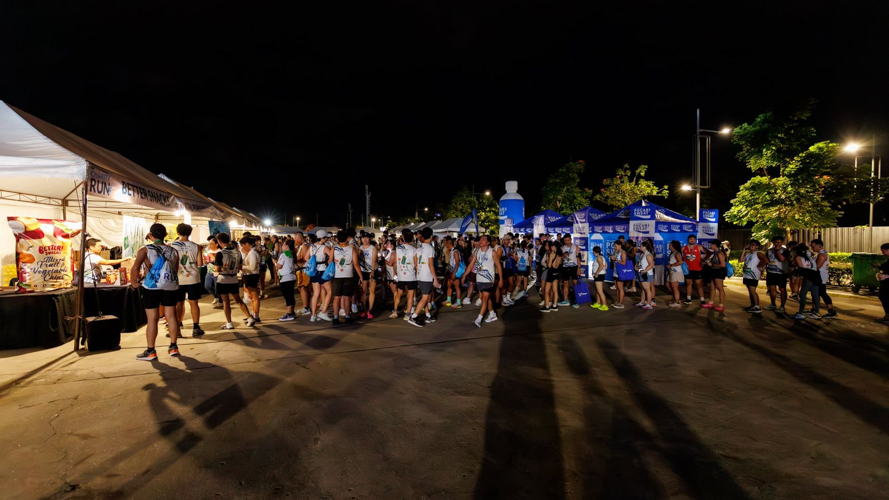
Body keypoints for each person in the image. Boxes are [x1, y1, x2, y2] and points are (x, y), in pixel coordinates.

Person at [131, 223, 181, 361]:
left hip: (152, 287)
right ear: (165, 235)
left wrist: (134, 283)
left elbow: (135, 268)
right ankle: (173, 347)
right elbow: (175, 270)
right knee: (171, 316)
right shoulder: (173, 251)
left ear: (150, 235)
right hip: (170, 286)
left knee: (152, 319)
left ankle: (151, 350)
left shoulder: (145, 249)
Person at [168, 224, 204, 338]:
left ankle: (177, 328)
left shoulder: (171, 245)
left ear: (177, 233)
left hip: (178, 279)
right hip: (193, 278)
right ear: (190, 233)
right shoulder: (196, 246)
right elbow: (200, 264)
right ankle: (196, 327)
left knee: (179, 304)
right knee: (194, 303)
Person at [213, 233, 251, 330]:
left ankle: (229, 323)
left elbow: (217, 270)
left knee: (226, 302)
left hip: (223, 280)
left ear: (219, 242)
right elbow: (240, 267)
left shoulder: (220, 253)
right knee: (238, 299)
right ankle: (249, 317)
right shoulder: (237, 252)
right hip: (234, 279)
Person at [464, 234, 502, 326]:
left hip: (489, 279)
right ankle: (492, 314)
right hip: (479, 278)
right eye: (480, 239)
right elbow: (471, 264)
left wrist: (501, 279)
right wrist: (465, 275)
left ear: (488, 242)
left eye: (483, 239)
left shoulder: (492, 252)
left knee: (484, 298)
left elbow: (498, 265)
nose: (481, 241)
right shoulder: (476, 252)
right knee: (487, 298)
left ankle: (478, 319)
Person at [329, 229, 363, 324]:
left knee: (337, 297)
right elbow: (356, 264)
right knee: (347, 297)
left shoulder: (334, 248)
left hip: (337, 275)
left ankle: (336, 317)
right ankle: (348, 316)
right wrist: (360, 276)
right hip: (349, 275)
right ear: (347, 238)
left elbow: (330, 261)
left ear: (337, 239)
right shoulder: (351, 249)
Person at [409, 227, 440, 327]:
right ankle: (414, 316)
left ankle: (427, 315)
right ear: (431, 236)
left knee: (425, 296)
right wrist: (435, 279)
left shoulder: (420, 247)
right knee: (425, 297)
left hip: (420, 275)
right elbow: (431, 265)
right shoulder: (429, 248)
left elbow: (416, 262)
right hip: (426, 275)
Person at [392, 229, 419, 319]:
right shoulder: (414, 249)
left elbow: (395, 262)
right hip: (411, 276)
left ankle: (395, 311)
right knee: (410, 295)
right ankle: (408, 314)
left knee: (399, 293)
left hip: (401, 275)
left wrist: (395, 273)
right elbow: (416, 264)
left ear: (403, 237)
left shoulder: (398, 248)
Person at [309, 231, 334, 322]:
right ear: (322, 238)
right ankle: (323, 312)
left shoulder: (311, 246)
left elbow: (306, 257)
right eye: (325, 238)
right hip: (323, 271)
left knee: (315, 294)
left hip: (314, 271)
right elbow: (332, 257)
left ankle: (313, 315)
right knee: (330, 292)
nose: (326, 239)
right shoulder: (324, 247)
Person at [791, 243, 821, 320]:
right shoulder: (810, 257)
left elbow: (800, 268)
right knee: (815, 294)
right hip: (816, 275)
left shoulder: (798, 257)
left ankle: (801, 313)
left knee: (802, 294)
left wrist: (794, 275)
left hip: (808, 276)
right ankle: (816, 312)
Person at [810, 239, 837, 318]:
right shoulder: (820, 253)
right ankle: (815, 309)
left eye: (813, 247)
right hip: (819, 276)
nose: (812, 248)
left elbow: (817, 266)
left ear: (819, 246)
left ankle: (830, 310)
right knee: (817, 293)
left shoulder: (822, 255)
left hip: (820, 276)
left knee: (821, 293)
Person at [739, 239, 766, 314]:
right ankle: (753, 305)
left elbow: (766, 260)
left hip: (753, 275)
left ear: (757, 246)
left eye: (753, 244)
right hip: (747, 275)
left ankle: (757, 307)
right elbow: (740, 260)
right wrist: (744, 250)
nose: (751, 246)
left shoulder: (758, 253)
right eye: (750, 244)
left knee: (752, 290)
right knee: (750, 291)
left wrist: (760, 267)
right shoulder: (748, 254)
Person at [239, 236, 262, 326]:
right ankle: (254, 314)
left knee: (254, 296)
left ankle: (255, 316)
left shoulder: (252, 253)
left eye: (242, 245)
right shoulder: (253, 252)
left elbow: (252, 267)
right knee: (252, 297)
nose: (242, 247)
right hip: (251, 275)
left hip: (251, 275)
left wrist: (242, 267)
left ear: (247, 244)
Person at [765, 236, 791, 314]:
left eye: (780, 242)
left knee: (782, 289)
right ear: (773, 242)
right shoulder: (769, 251)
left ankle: (782, 306)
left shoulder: (785, 251)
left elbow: (782, 259)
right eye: (777, 242)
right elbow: (766, 260)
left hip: (781, 273)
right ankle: (773, 304)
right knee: (772, 289)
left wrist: (778, 251)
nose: (778, 244)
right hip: (771, 272)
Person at [701, 240, 727, 312]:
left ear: (715, 245)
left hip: (719, 272)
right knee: (712, 287)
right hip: (714, 271)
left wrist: (712, 264)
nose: (710, 246)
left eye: (711, 244)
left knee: (720, 288)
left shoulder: (719, 253)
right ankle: (711, 303)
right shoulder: (715, 253)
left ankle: (721, 305)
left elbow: (723, 265)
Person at [358, 233, 378, 319]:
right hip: (363, 271)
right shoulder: (360, 248)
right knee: (363, 291)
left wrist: (372, 272)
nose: (365, 239)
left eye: (366, 238)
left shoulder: (373, 248)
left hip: (372, 271)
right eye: (363, 238)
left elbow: (374, 261)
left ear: (370, 239)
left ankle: (370, 310)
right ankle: (364, 309)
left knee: (372, 290)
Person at [682, 235, 707, 305]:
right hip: (688, 270)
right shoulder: (684, 248)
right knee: (688, 284)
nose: (692, 240)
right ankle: (688, 298)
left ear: (695, 240)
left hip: (697, 269)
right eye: (690, 239)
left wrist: (704, 260)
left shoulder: (699, 247)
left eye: (693, 239)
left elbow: (708, 252)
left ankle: (702, 299)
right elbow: (678, 255)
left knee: (699, 285)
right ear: (688, 240)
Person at [276, 239, 297, 321]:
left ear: (287, 246)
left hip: (285, 278)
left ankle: (289, 314)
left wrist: (275, 264)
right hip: (292, 277)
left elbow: (279, 266)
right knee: (291, 295)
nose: (282, 246)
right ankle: (292, 312)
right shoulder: (291, 254)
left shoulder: (284, 254)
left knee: (287, 296)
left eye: (283, 245)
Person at [559, 235, 581, 309]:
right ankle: (566, 300)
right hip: (565, 267)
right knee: (565, 283)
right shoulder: (562, 248)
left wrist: (579, 268)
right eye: (565, 240)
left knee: (575, 284)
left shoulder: (576, 247)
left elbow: (579, 258)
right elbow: (560, 258)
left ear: (571, 239)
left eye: (568, 240)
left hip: (574, 267)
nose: (567, 242)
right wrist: (563, 255)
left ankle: (576, 300)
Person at [636, 240, 656, 309]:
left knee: (647, 289)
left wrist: (645, 271)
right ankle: (642, 301)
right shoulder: (642, 254)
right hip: (642, 273)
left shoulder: (648, 255)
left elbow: (651, 264)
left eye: (641, 246)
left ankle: (649, 304)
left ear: (644, 247)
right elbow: (640, 263)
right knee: (643, 289)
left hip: (647, 274)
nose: (640, 247)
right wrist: (637, 268)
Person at [444, 236, 463, 308]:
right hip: (451, 270)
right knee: (449, 285)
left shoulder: (455, 251)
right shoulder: (452, 251)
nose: (445, 245)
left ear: (448, 244)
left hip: (454, 271)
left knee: (457, 286)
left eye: (446, 243)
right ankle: (448, 300)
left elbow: (457, 263)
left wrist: (454, 273)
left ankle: (458, 302)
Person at [203, 236, 222, 308]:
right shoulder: (208, 252)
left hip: (217, 272)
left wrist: (211, 256)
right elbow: (207, 262)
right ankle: (216, 297)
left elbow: (217, 261)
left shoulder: (220, 252)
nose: (209, 245)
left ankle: (220, 301)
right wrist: (205, 261)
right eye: (209, 244)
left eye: (211, 244)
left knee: (217, 287)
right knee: (207, 286)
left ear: (217, 244)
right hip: (209, 271)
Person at [589, 245, 608, 310]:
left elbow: (601, 266)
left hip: (599, 275)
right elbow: (606, 264)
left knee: (600, 291)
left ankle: (604, 305)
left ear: (594, 252)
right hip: (600, 275)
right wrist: (605, 270)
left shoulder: (599, 257)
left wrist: (596, 273)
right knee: (598, 290)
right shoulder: (602, 257)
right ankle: (598, 303)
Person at [665, 240, 684, 308]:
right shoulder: (672, 253)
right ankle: (676, 298)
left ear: (673, 246)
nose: (669, 245)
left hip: (676, 272)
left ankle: (677, 302)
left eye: (670, 244)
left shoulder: (676, 253)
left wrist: (671, 265)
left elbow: (680, 262)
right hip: (671, 272)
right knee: (668, 285)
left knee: (674, 287)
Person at [610, 240, 628, 308]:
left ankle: (621, 303)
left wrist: (615, 260)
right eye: (614, 246)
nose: (615, 247)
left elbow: (624, 263)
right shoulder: (616, 252)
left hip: (620, 272)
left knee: (620, 288)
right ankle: (618, 301)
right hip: (615, 271)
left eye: (616, 246)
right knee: (617, 288)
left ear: (620, 245)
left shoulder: (623, 253)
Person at [876, 242, 889, 323]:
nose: (882, 253)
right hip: (885, 284)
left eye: (883, 251)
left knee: (885, 297)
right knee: (883, 297)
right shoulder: (888, 259)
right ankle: (887, 315)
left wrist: (887, 276)